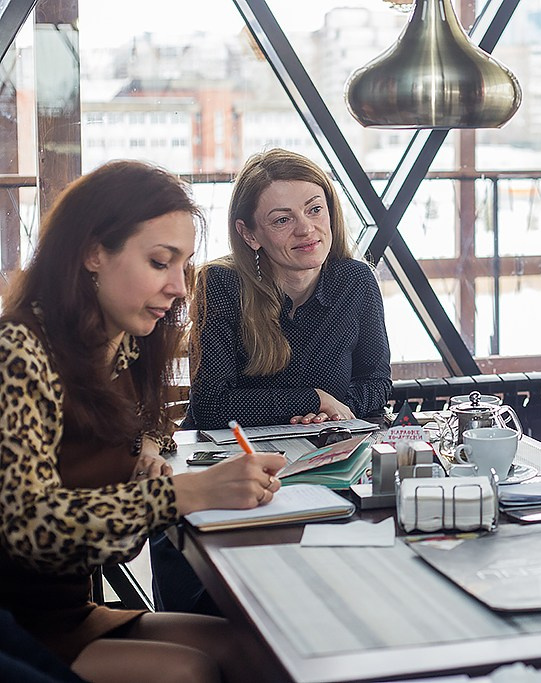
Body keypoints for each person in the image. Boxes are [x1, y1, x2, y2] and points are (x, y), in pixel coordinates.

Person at [0, 160, 287, 682]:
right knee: (190, 671)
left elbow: (149, 428)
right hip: (17, 627)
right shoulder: (19, 351)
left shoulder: (122, 346)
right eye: (160, 262)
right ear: (92, 253)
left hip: (68, 610)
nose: (180, 287)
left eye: (185, 265)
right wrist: (185, 495)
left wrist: (147, 455)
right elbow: (29, 527)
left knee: (259, 649)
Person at [185, 147, 391, 430]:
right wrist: (313, 401)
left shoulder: (355, 280)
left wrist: (332, 415)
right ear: (249, 234)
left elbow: (376, 382)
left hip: (325, 449)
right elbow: (211, 406)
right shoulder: (221, 283)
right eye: (283, 219)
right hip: (233, 461)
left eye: (314, 210)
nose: (306, 229)